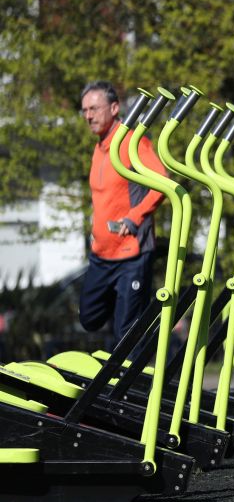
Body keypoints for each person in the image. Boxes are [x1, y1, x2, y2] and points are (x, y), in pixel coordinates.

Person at [79, 81, 167, 348]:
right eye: (84, 110)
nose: (88, 116)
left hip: (132, 253)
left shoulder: (132, 142)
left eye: (94, 108)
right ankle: (135, 315)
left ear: (114, 108)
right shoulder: (99, 147)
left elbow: (162, 182)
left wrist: (135, 217)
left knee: (126, 333)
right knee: (88, 318)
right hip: (102, 255)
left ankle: (132, 382)